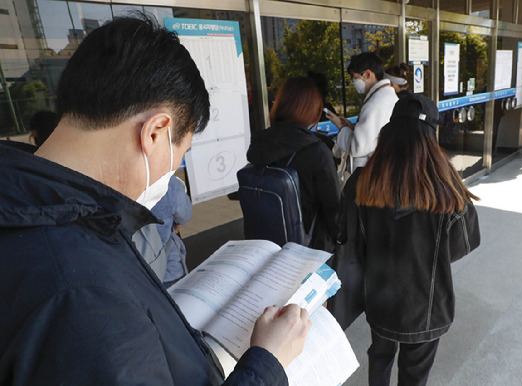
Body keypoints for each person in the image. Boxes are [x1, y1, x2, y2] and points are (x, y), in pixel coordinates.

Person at [0, 16, 311, 385]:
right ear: (155, 132)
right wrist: (267, 364)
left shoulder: (40, 206)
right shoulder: (84, 294)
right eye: (183, 152)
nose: (177, 167)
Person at [338, 95, 480, 386]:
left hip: (378, 297)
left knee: (379, 355)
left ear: (390, 131)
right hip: (426, 308)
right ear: (431, 136)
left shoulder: (362, 182)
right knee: (414, 376)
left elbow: (348, 238)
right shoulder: (448, 188)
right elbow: (463, 244)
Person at [246, 76, 340, 253]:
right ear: (312, 110)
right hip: (309, 251)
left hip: (264, 247)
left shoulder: (261, 142)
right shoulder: (316, 151)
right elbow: (335, 211)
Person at [326, 52, 398, 169]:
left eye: (355, 78)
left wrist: (341, 127)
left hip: (371, 171)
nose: (354, 83)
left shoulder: (376, 104)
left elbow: (358, 147)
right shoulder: (384, 96)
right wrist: (353, 127)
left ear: (368, 74)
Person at [133, 175, 192, 288]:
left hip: (132, 277)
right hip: (169, 271)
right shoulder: (167, 182)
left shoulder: (103, 182)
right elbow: (184, 217)